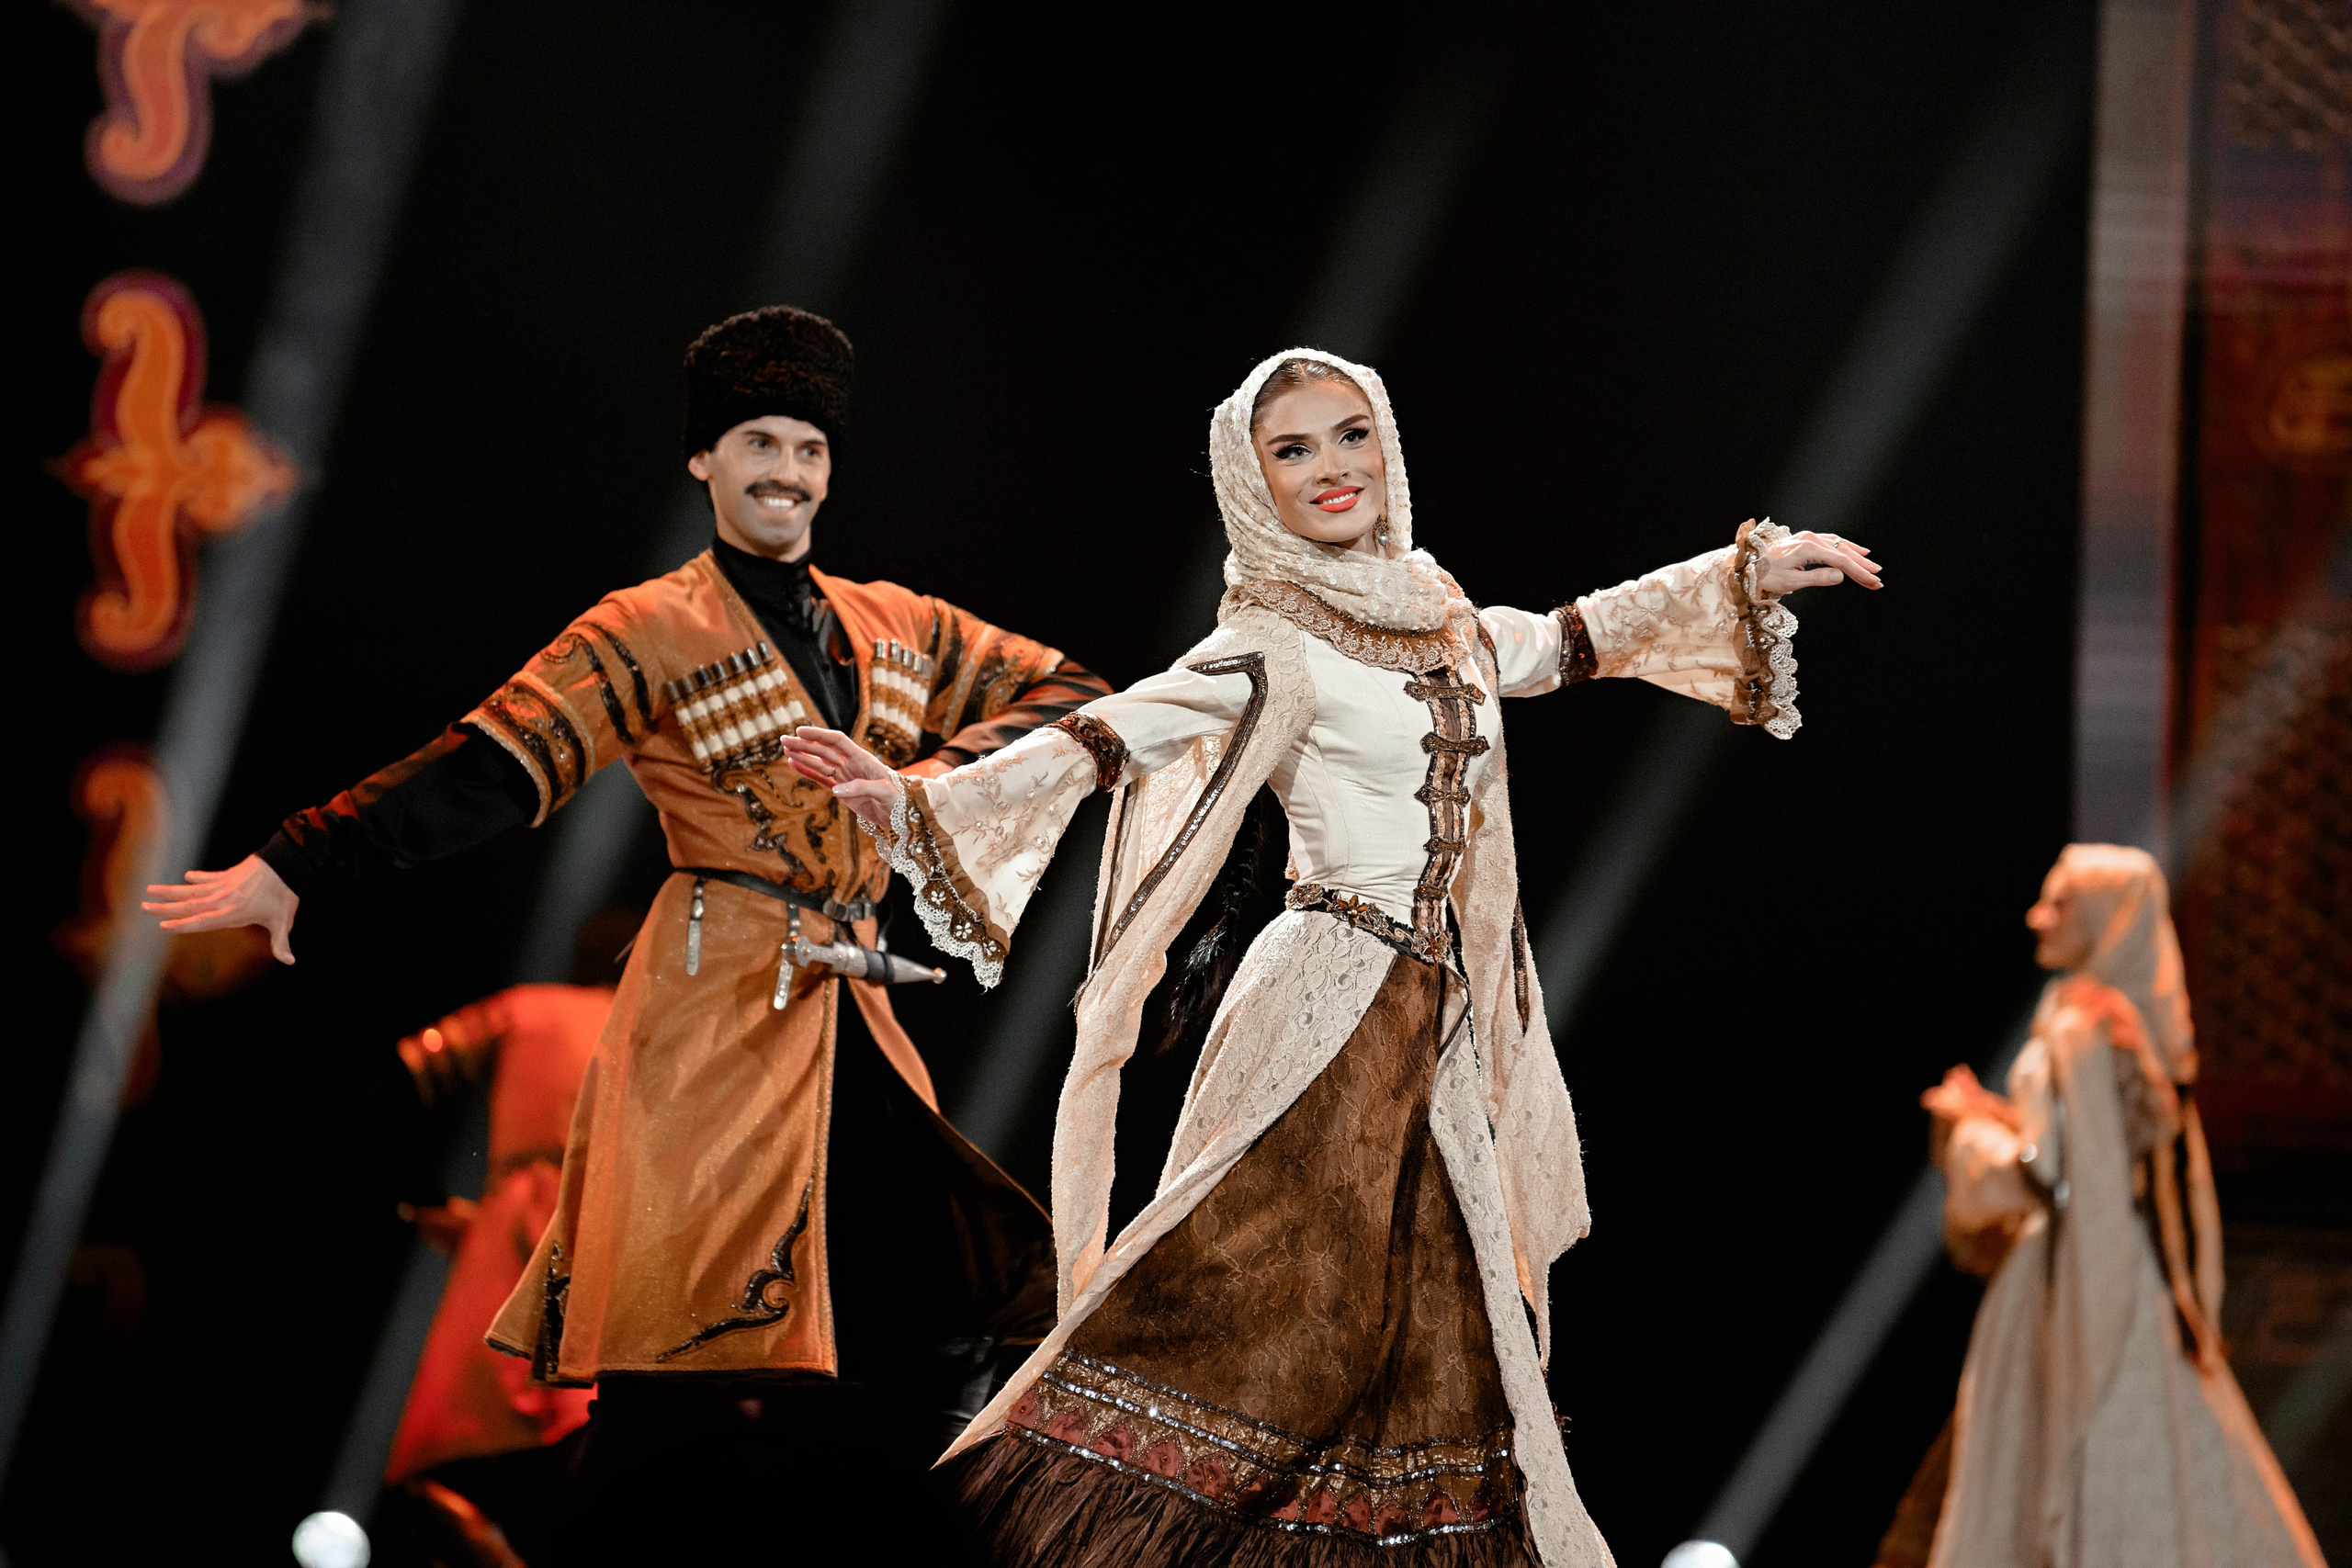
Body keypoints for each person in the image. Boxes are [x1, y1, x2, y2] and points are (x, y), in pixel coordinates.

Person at [783, 347, 1882, 1567]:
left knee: (1436, 1342)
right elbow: (1109, 733)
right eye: (1291, 449)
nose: (1331, 467)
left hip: (1435, 1032)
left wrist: (1743, 574)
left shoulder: (1438, 609)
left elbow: (1560, 641)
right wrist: (915, 798)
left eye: (1349, 434)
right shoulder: (1270, 637)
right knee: (1243, 1312)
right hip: (1327, 1004)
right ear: (1252, 483)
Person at [145, 306, 1110, 1562]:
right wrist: (302, 858)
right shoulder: (645, 627)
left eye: (808, 448)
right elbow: (489, 762)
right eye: (758, 442)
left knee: (938, 1305)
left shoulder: (898, 622)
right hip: (714, 1002)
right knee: (676, 1356)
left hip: (849, 1004)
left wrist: (920, 786)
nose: (786, 469)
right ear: (705, 461)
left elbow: (1074, 691)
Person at [1915, 844, 2324, 1568]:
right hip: (2118, 1273)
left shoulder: (2086, 1026)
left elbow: (2058, 1177)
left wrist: (1969, 1134)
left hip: (2086, 1283)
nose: (2039, 916)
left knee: (2080, 1449)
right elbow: (2097, 1154)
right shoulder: (2121, 1017)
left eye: (2061, 902)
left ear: (2108, 915)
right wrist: (2006, 1116)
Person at [376, 914, 629, 1568]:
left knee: (461, 1423)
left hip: (512, 1227)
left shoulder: (528, 1007)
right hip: (603, 1233)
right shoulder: (650, 1037)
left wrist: (420, 1192)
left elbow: (406, 1070)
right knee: (580, 1424)